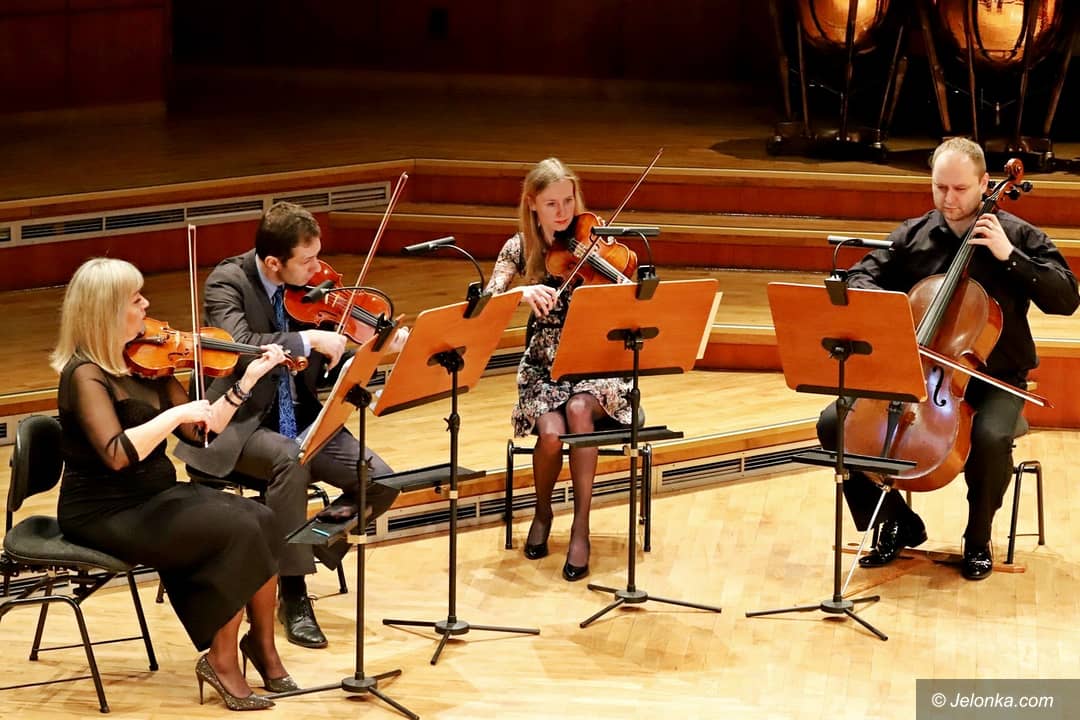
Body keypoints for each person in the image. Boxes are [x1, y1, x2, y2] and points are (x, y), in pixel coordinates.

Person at [817, 138, 1078, 581]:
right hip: (923, 373)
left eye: (959, 189)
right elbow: (861, 274)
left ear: (985, 183)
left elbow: (1067, 298)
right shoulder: (914, 235)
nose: (949, 199)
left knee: (991, 437)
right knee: (835, 423)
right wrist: (889, 305)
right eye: (940, 187)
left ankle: (978, 537)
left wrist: (1010, 257)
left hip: (996, 378)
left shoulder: (1017, 235)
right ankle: (894, 521)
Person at [53, 258, 294, 710]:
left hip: (156, 496)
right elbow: (118, 455)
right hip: (104, 511)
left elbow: (201, 433)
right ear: (107, 311)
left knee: (262, 517)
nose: (147, 305)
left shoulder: (148, 364)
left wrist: (247, 380)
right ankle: (222, 660)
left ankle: (261, 647)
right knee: (237, 529)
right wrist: (174, 415)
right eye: (136, 299)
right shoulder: (84, 374)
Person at [175, 201, 399, 648]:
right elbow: (239, 347)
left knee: (379, 482)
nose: (318, 270)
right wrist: (309, 338)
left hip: (300, 417)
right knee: (291, 460)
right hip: (238, 423)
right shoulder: (227, 282)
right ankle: (293, 594)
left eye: (318, 256)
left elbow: (325, 367)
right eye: (308, 260)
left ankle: (306, 544)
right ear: (273, 263)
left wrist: (368, 352)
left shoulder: (312, 292)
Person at [486, 158, 633, 582]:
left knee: (580, 410)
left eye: (569, 201)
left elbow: (631, 302)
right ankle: (543, 511)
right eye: (552, 204)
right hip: (544, 366)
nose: (563, 212)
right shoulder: (518, 248)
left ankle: (580, 527)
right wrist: (520, 292)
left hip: (597, 361)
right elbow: (486, 301)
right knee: (550, 434)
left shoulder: (594, 241)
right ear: (532, 204)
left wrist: (623, 286)